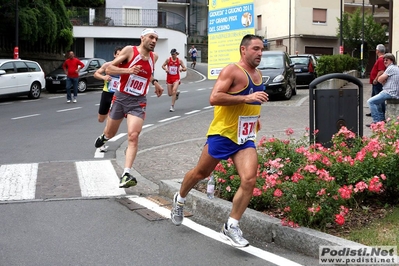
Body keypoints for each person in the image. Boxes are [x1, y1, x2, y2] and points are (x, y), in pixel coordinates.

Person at [170, 34, 269, 248]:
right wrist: (246, 98)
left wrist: (255, 118)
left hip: (244, 138)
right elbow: (214, 97)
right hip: (222, 134)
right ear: (243, 50)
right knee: (201, 173)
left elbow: (253, 102)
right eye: (255, 49)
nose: (260, 53)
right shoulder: (232, 70)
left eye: (262, 49)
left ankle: (231, 225)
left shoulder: (258, 74)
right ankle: (180, 198)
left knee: (249, 179)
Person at [94, 28, 164, 188]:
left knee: (133, 136)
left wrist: (155, 83)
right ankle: (104, 138)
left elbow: (148, 74)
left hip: (138, 101)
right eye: (151, 37)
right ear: (142, 38)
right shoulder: (129, 51)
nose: (154, 41)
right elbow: (109, 69)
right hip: (121, 98)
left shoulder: (155, 57)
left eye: (156, 39)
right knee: (110, 132)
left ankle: (126, 174)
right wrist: (128, 70)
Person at [367, 53, 399, 127]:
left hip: (390, 92)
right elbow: (382, 79)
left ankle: (376, 122)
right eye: (384, 60)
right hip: (391, 91)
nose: (384, 61)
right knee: (377, 102)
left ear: (392, 60)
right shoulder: (394, 68)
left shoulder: (391, 68)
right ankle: (381, 120)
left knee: (371, 101)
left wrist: (382, 79)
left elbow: (380, 79)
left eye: (386, 60)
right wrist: (384, 79)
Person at [94, 46, 123, 123]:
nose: (119, 56)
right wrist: (103, 77)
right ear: (114, 55)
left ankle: (108, 128)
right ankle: (108, 117)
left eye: (121, 55)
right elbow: (96, 74)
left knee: (113, 115)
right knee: (101, 119)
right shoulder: (107, 65)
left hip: (119, 94)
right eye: (118, 54)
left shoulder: (126, 67)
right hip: (107, 93)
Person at [366, 44, 386, 117]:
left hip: (377, 82)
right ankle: (374, 112)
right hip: (376, 82)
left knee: (377, 99)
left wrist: (375, 79)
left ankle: (379, 115)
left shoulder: (381, 59)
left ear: (377, 51)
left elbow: (381, 71)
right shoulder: (381, 59)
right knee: (374, 97)